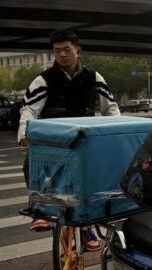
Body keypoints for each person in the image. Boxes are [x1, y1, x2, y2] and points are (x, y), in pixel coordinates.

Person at [17, 29, 119, 250]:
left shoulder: (94, 78)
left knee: (91, 177)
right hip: (53, 141)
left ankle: (87, 226)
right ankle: (41, 210)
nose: (62, 54)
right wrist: (25, 134)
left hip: (83, 140)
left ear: (78, 50)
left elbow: (111, 108)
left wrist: (116, 134)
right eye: (57, 51)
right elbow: (29, 110)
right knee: (30, 163)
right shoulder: (43, 80)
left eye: (67, 49)